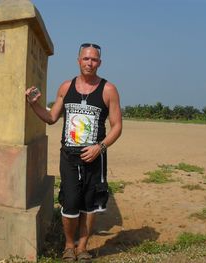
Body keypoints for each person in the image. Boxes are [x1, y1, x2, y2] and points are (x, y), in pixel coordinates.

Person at [26, 43, 122, 261]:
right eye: (86, 59)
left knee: (90, 203)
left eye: (94, 59)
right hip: (69, 157)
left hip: (95, 157)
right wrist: (34, 104)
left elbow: (117, 126)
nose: (90, 63)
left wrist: (100, 147)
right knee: (70, 201)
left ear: (100, 62)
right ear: (78, 60)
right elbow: (51, 118)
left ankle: (83, 247)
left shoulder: (108, 90)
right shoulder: (66, 87)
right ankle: (69, 245)